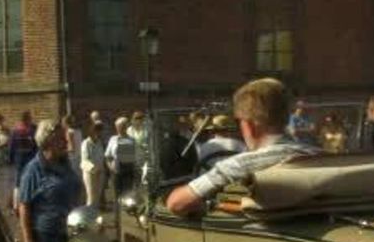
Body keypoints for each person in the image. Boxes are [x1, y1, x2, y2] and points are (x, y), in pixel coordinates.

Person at [167, 78, 318, 216]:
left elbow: (176, 203)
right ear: (285, 118)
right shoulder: (318, 156)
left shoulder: (239, 165)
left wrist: (210, 205)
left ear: (248, 125)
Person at [17, 120, 81, 242]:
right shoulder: (33, 170)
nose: (66, 142)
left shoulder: (65, 164)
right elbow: (24, 206)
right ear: (48, 142)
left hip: (71, 232)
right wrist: (29, 241)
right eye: (61, 139)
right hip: (47, 237)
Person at [105, 117, 138, 195]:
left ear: (125, 127)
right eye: (117, 126)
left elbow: (135, 157)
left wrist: (136, 169)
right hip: (116, 171)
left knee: (128, 194)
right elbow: (107, 156)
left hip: (128, 171)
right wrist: (110, 167)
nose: (119, 128)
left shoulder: (131, 140)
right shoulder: (113, 139)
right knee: (117, 194)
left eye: (121, 126)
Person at [80, 122, 106, 208]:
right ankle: (88, 217)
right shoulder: (86, 143)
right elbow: (85, 159)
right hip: (90, 173)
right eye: (98, 131)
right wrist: (94, 169)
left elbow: (102, 157)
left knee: (97, 198)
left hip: (100, 172)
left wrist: (101, 169)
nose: (99, 133)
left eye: (100, 131)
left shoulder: (99, 143)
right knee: (91, 197)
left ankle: (95, 217)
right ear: (93, 131)